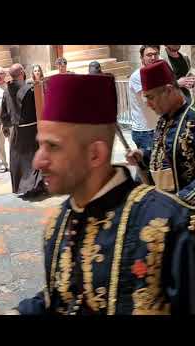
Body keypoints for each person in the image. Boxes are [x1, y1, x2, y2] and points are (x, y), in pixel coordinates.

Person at [14, 73, 195, 315]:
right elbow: (61, 299)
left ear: (95, 154)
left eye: (53, 146)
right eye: (40, 145)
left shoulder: (169, 227)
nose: (38, 161)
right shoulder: (56, 228)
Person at [127, 60, 195, 205]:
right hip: (164, 210)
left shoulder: (192, 120)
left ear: (169, 90)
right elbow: (166, 157)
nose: (147, 103)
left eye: (150, 97)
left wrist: (177, 202)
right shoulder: (162, 121)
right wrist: (143, 155)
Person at [1, 63, 44, 198]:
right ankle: (34, 187)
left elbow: (4, 112)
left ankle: (27, 187)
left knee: (20, 160)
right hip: (31, 129)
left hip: (17, 131)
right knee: (33, 158)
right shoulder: (30, 88)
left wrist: (6, 126)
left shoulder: (6, 91)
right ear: (21, 73)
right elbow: (39, 105)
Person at [128, 45, 160, 154]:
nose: (153, 58)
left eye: (155, 54)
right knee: (148, 168)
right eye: (149, 55)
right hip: (145, 132)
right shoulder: (137, 76)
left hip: (157, 127)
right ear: (142, 58)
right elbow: (149, 101)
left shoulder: (157, 74)